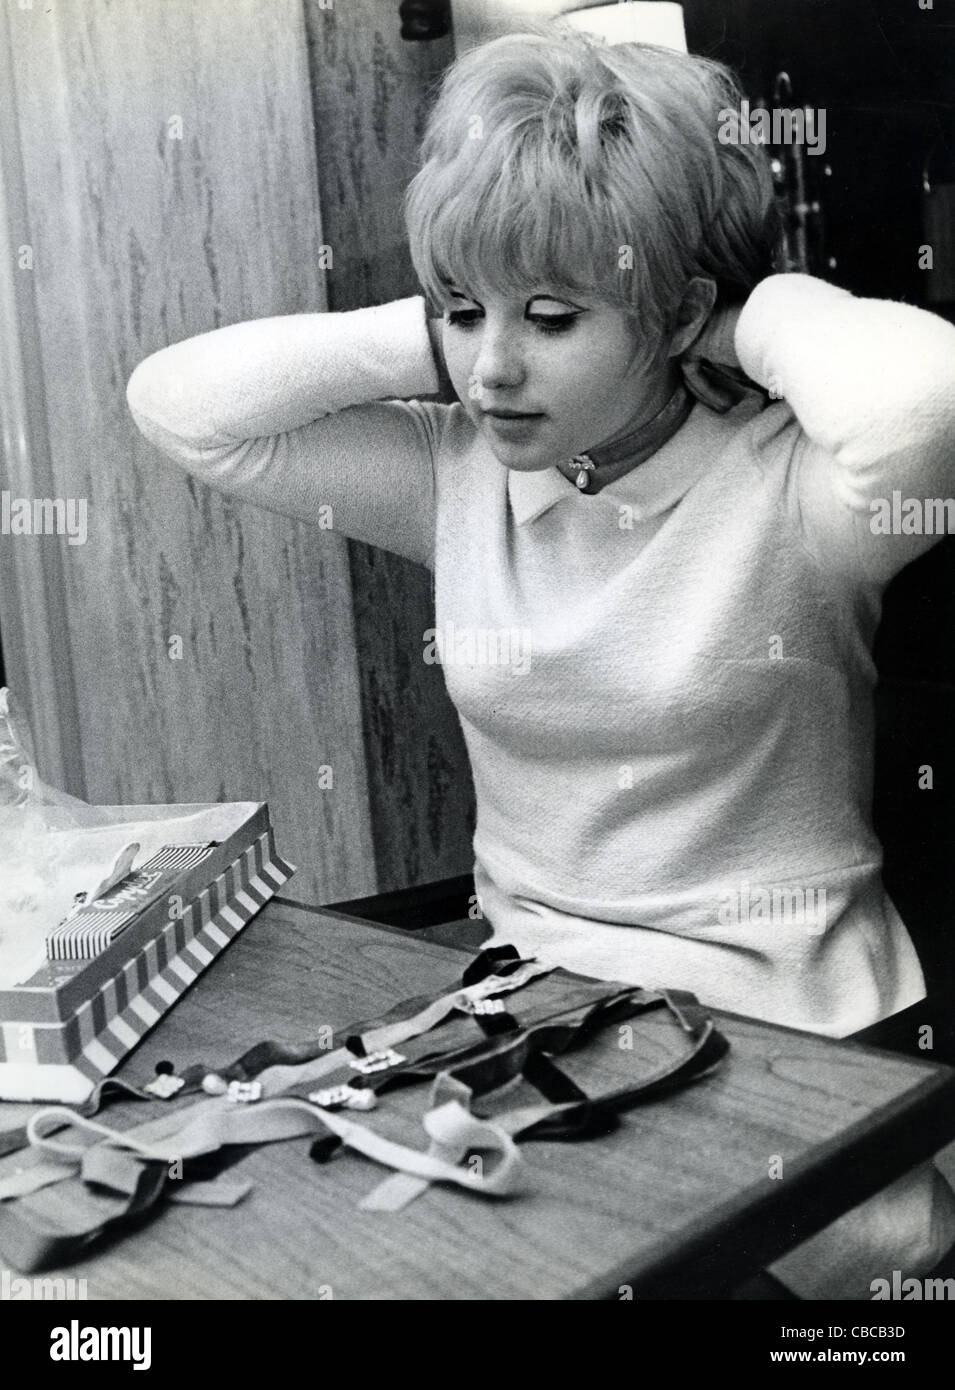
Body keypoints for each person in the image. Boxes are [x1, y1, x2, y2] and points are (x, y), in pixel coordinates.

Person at [126, 28, 955, 1298]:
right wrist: (453, 319)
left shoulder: (799, 491)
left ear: (676, 307)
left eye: (553, 319)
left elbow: (927, 405)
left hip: (791, 1041)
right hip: (535, 1014)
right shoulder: (460, 469)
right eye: (463, 315)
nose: (494, 368)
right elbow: (182, 407)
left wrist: (743, 317)